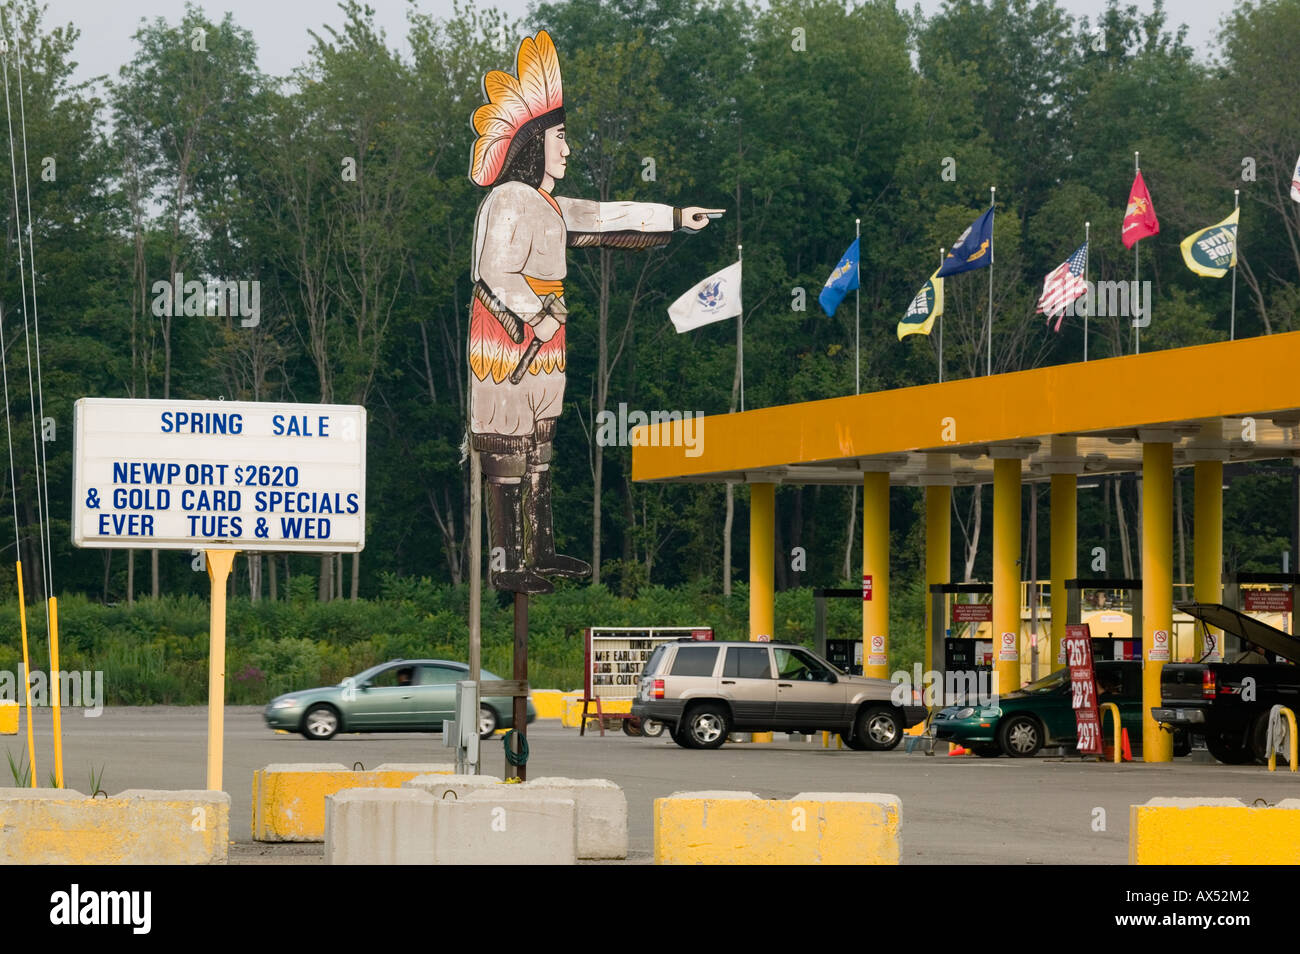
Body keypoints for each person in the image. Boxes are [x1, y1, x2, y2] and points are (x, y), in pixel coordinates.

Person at [468, 30, 722, 594]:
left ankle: (542, 548)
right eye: (560, 138)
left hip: (544, 335)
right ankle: (508, 560)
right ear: (535, 142)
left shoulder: (547, 204)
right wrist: (536, 315)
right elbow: (493, 271)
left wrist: (675, 216)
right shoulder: (509, 200)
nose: (567, 149)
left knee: (539, 443)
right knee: (508, 445)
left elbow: (606, 217)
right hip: (509, 340)